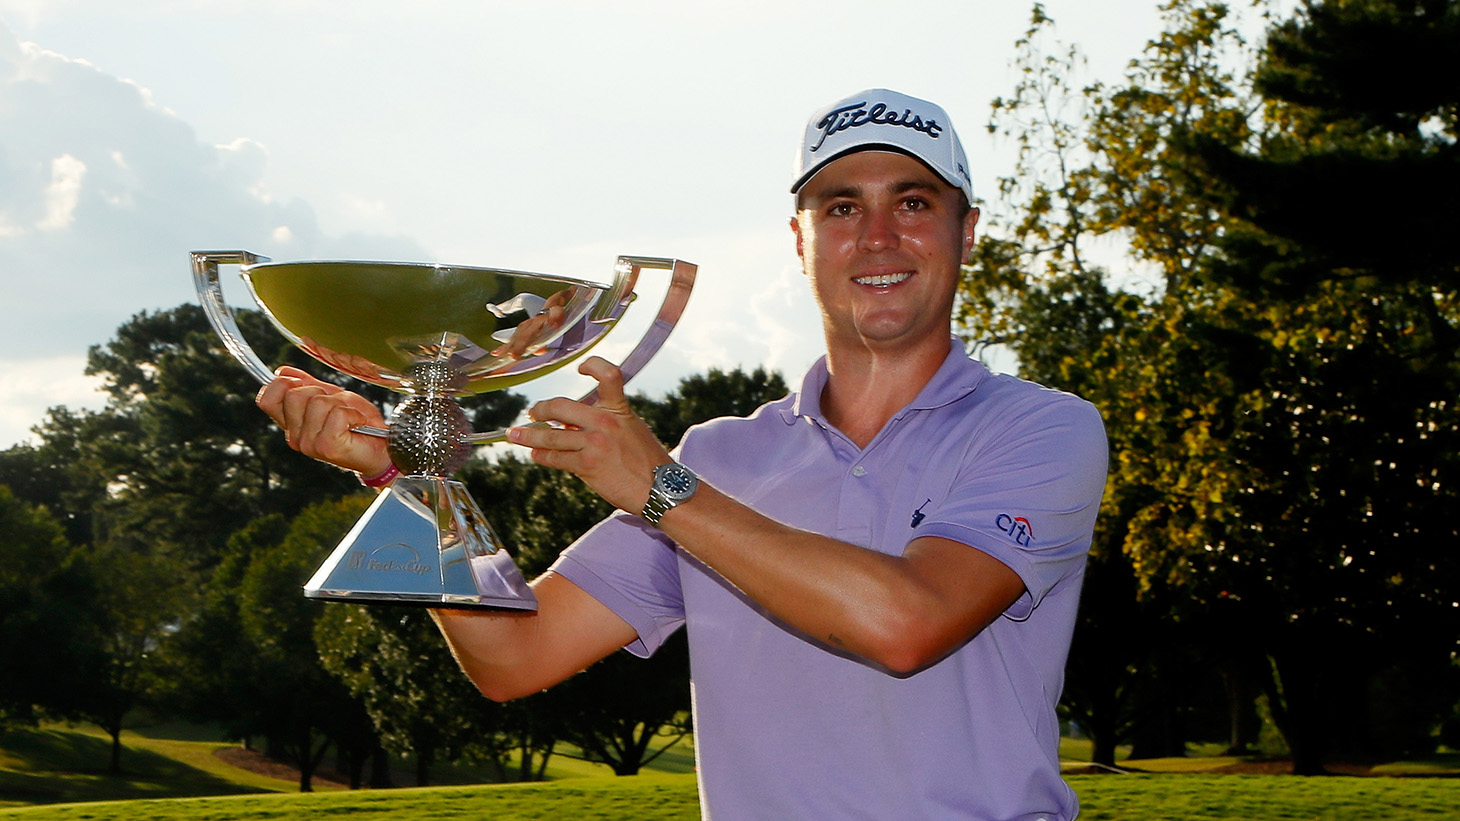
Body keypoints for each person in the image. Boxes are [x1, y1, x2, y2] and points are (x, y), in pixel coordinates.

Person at [258, 88, 1108, 820]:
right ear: (801, 239)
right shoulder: (722, 459)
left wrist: (661, 488)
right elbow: (515, 656)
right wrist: (409, 477)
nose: (878, 236)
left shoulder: (1041, 429)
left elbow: (908, 624)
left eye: (914, 202)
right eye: (842, 208)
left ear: (967, 231)